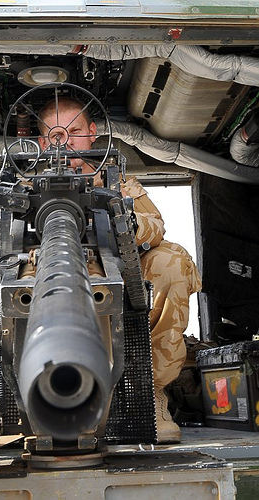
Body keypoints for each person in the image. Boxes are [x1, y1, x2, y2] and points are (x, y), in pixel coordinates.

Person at [38, 96, 202, 444]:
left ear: (92, 133)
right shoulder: (28, 185)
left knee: (172, 260)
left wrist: (123, 220)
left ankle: (151, 393)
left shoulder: (116, 179)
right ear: (42, 143)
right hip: (57, 281)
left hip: (122, 273)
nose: (65, 142)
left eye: (74, 131)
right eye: (55, 135)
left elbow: (156, 226)